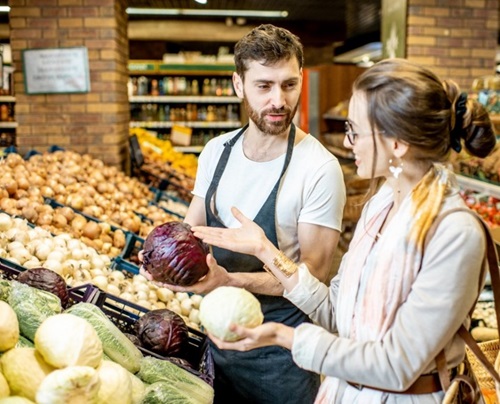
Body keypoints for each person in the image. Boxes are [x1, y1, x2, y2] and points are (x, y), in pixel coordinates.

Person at [189, 58, 497, 403]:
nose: (348, 144)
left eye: (354, 131)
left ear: (396, 143)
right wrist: (266, 251)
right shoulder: (380, 206)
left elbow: (396, 364)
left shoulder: (454, 234)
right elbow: (337, 313)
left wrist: (285, 336)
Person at [141, 24, 346, 403]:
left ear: (300, 79)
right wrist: (161, 258)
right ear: (239, 84)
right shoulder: (216, 152)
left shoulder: (319, 168)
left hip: (282, 360)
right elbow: (192, 230)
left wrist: (229, 281)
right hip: (217, 343)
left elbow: (313, 278)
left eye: (288, 84)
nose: (278, 101)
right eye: (263, 86)